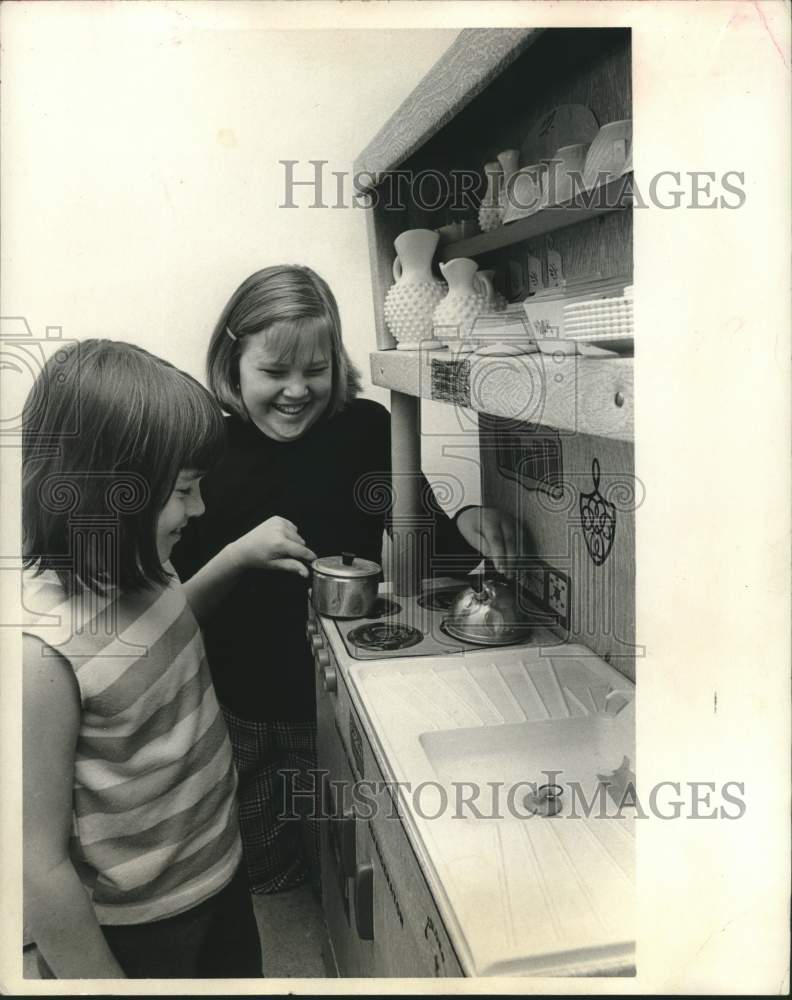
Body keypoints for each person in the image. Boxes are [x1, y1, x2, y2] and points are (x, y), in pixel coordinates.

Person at [172, 265, 518, 896]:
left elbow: (429, 539)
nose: (297, 391)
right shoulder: (206, 450)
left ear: (337, 361)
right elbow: (172, 607)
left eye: (315, 370)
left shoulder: (363, 430)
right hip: (232, 712)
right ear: (232, 362)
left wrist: (466, 516)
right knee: (262, 878)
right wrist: (238, 554)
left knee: (347, 873)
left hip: (336, 701)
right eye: (273, 373)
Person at [21, 339, 315, 979]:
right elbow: (32, 863)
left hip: (219, 875)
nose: (200, 508)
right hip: (137, 928)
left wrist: (234, 558)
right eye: (183, 490)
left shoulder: (147, 573)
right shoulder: (44, 654)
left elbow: (170, 631)